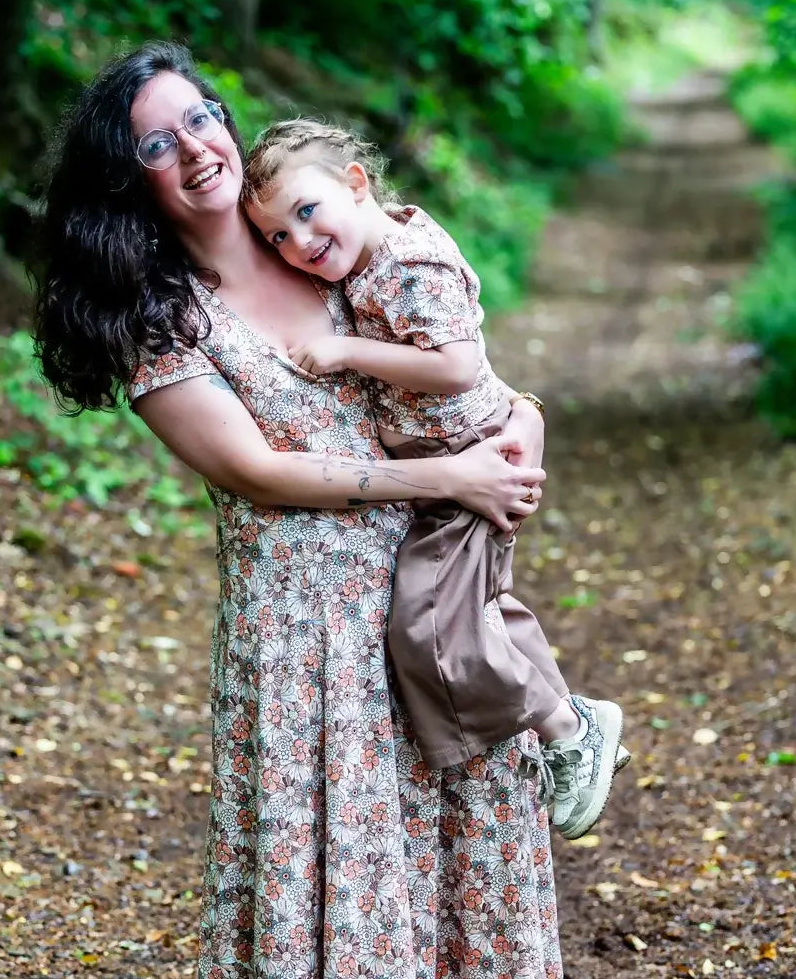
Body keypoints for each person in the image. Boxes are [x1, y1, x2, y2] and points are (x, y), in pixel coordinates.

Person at [35, 41, 577, 979]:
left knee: (451, 867)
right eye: (155, 145)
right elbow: (256, 470)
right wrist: (447, 474)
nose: (193, 150)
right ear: (130, 182)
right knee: (334, 889)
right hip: (302, 641)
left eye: (200, 119)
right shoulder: (162, 317)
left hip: (427, 610)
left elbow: (455, 367)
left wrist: (518, 424)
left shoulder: (315, 230)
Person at [244, 121, 629, 840]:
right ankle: (575, 722)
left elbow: (454, 363)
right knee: (480, 606)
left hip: (469, 461)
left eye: (305, 211)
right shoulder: (371, 258)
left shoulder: (408, 264)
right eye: (275, 237)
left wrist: (344, 351)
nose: (298, 243)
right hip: (447, 465)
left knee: (426, 618)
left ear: (356, 183)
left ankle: (562, 727)